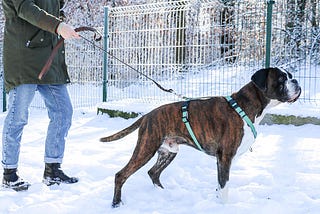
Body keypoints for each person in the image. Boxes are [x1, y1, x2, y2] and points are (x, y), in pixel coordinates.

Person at [1, 0, 80, 191]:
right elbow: (26, 9)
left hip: (49, 59)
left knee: (63, 112)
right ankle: (9, 173)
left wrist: (61, 22)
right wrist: (58, 26)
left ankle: (52, 169)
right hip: (24, 58)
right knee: (17, 116)